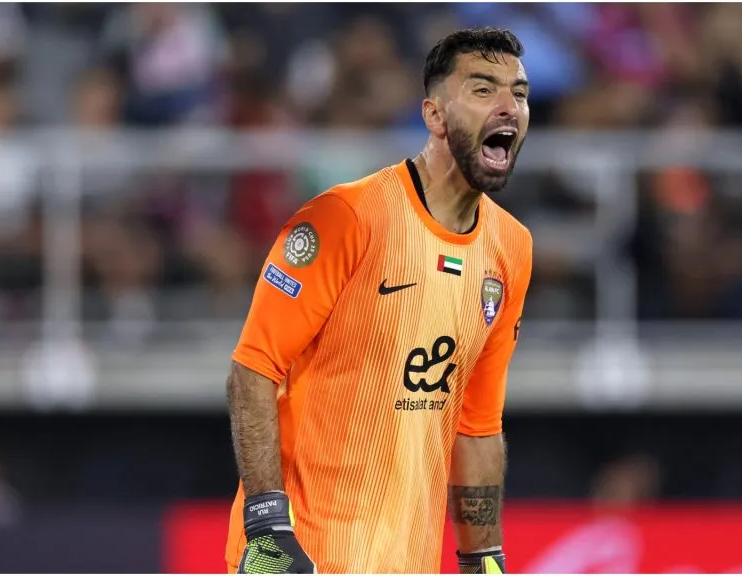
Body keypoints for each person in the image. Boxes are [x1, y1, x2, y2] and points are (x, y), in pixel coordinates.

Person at [224, 28, 533, 574]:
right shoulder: (345, 219)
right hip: (307, 555)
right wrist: (267, 529)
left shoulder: (511, 249)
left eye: (521, 93)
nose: (509, 107)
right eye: (484, 90)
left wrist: (484, 556)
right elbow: (253, 370)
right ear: (434, 116)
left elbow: (478, 425)